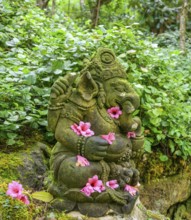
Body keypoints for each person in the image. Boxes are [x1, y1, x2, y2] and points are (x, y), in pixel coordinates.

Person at [47, 48, 144, 215]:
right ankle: (110, 186)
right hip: (73, 157)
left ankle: (116, 181)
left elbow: (134, 144)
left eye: (125, 89)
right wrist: (84, 145)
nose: (124, 94)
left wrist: (135, 129)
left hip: (108, 162)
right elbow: (61, 131)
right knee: (75, 172)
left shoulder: (117, 112)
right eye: (116, 88)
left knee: (130, 170)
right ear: (97, 88)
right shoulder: (83, 101)